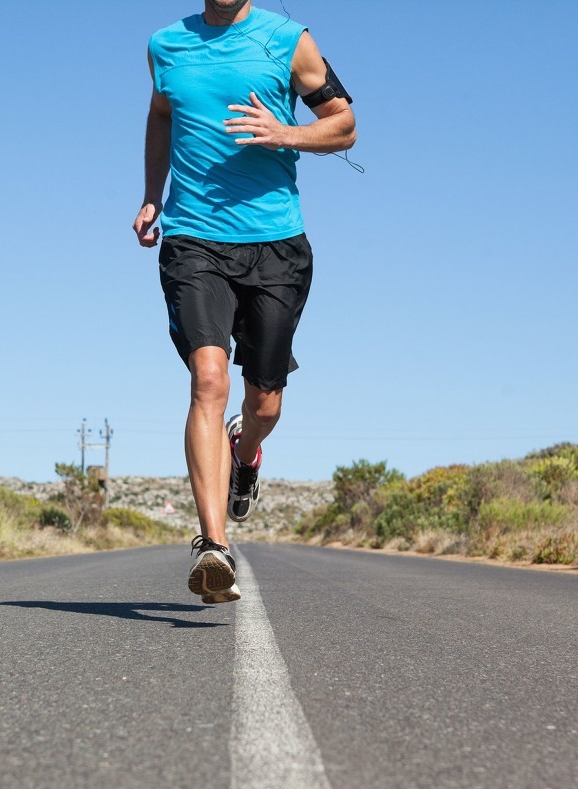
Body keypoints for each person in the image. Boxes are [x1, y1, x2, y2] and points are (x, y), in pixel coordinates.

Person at [133, 0, 355, 603]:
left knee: (267, 401)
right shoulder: (165, 45)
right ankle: (213, 546)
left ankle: (245, 453)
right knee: (209, 379)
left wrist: (285, 133)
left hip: (276, 244)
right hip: (193, 237)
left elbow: (344, 123)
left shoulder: (289, 41)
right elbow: (160, 115)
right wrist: (153, 194)